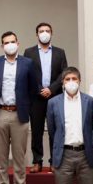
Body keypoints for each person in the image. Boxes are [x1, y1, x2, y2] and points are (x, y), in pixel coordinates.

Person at [0, 31, 40, 184]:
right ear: (2, 46)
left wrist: (25, 106)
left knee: (19, 155)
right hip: (1, 113)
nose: (9, 44)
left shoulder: (27, 63)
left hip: (20, 114)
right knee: (1, 156)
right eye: (6, 42)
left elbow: (34, 88)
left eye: (12, 41)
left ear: (18, 43)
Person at [24, 23, 68, 173]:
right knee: (36, 130)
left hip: (55, 97)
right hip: (36, 98)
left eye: (47, 31)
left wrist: (51, 89)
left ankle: (54, 161)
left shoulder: (59, 52)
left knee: (54, 130)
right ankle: (37, 161)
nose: (44, 33)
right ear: (36, 34)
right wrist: (39, 89)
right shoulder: (29, 52)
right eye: (41, 31)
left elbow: (64, 74)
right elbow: (27, 73)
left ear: (52, 33)